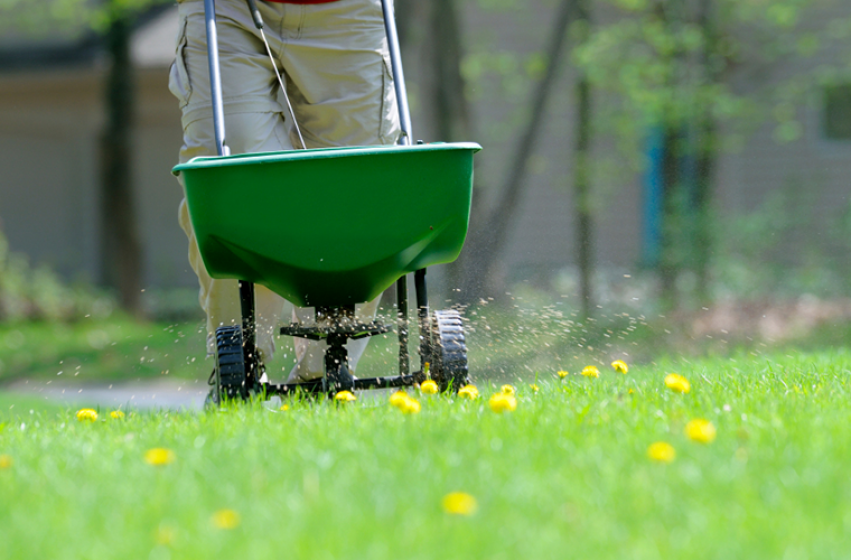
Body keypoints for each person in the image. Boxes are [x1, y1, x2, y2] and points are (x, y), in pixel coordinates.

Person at [168, 0, 401, 383]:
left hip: (348, 10)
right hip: (226, 8)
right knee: (228, 168)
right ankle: (241, 358)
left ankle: (324, 369)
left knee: (357, 180)